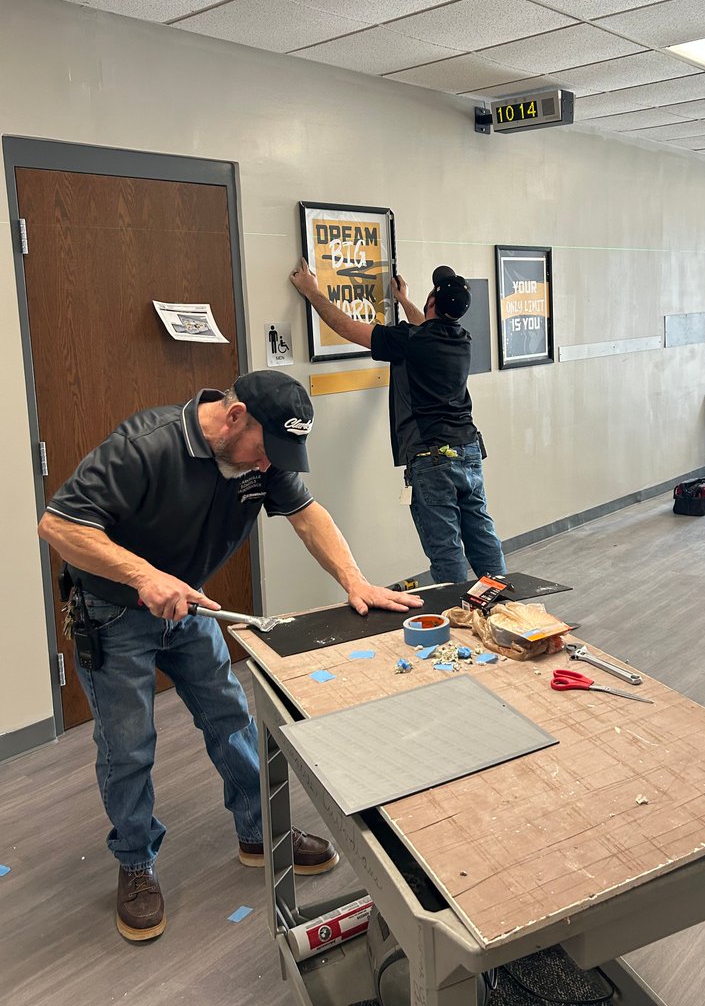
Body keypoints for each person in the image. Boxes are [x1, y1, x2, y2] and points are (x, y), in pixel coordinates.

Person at [37, 370, 422, 942]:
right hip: (115, 614)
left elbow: (307, 514)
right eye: (267, 451)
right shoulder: (147, 446)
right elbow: (59, 524)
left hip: (191, 609)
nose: (271, 466)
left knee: (231, 719)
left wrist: (354, 580)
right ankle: (136, 862)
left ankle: (260, 830)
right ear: (235, 417)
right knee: (129, 745)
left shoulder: (263, 458)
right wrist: (143, 576)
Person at [290, 260, 506, 585]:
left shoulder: (411, 341)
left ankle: (458, 620)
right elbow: (423, 327)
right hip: (469, 452)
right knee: (481, 535)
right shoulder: (461, 338)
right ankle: (505, 606)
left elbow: (348, 328)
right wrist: (404, 301)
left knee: (446, 550)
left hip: (432, 459)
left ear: (432, 302)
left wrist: (312, 292)